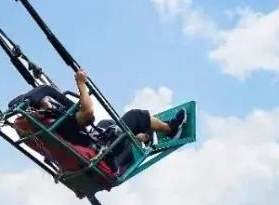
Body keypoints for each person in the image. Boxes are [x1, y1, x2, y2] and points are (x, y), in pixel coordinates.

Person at [20, 70, 188, 174]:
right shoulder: (58, 121)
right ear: (42, 105)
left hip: (94, 147)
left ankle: (142, 137)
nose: (50, 103)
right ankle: (170, 129)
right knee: (135, 116)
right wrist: (81, 83)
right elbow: (87, 112)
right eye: (46, 101)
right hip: (104, 152)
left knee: (106, 124)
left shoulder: (46, 126)